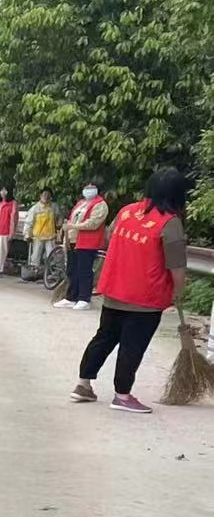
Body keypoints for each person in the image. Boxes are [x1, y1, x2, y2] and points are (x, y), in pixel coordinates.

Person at [71, 167, 188, 414]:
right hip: (145, 297)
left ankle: (83, 384)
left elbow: (110, 238)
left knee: (104, 338)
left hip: (114, 289)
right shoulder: (170, 222)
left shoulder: (126, 212)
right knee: (132, 346)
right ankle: (122, 395)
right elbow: (176, 265)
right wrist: (179, 291)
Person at [57, 181, 109, 311]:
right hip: (73, 240)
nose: (88, 190)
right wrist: (66, 238)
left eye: (92, 187)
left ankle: (84, 298)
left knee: (84, 270)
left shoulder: (100, 205)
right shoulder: (80, 203)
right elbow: (70, 221)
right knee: (72, 270)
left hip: (88, 242)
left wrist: (73, 226)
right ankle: (71, 297)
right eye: (87, 187)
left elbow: (93, 223)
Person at [25, 189, 58, 280]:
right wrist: (27, 234)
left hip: (50, 236)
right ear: (40, 196)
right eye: (44, 194)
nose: (46, 196)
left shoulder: (54, 207)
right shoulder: (35, 208)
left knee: (51, 256)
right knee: (36, 256)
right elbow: (29, 222)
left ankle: (51, 275)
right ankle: (34, 274)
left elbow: (59, 219)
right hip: (38, 236)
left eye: (48, 194)